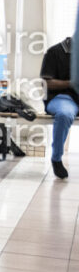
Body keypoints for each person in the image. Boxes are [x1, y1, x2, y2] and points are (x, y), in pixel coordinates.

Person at [41, 37, 78, 179]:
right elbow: (46, 83)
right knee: (64, 114)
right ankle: (56, 158)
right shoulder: (54, 52)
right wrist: (71, 83)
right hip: (62, 98)